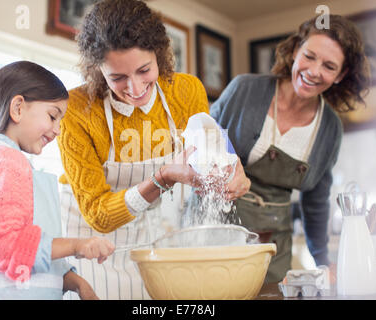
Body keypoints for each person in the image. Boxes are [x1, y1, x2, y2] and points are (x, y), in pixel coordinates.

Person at [57, 0, 250, 299]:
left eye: (144, 70)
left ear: (159, 54)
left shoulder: (187, 90)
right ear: (97, 70)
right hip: (91, 248)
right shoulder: (77, 110)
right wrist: (163, 178)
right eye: (117, 77)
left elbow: (214, 146)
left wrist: (233, 169)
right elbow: (98, 214)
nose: (134, 89)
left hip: (153, 240)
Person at [210, 14, 370, 283]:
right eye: (309, 56)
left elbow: (316, 202)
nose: (314, 71)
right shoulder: (244, 89)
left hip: (271, 247)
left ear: (340, 75)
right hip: (212, 232)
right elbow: (203, 135)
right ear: (296, 50)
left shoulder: (330, 128)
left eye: (329, 66)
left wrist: (322, 261)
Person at [0, 61, 115, 300]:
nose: (58, 129)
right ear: (18, 108)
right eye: (53, 116)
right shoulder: (4, 160)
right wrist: (76, 245)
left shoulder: (10, 160)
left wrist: (76, 283)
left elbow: (32, 254)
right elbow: (3, 246)